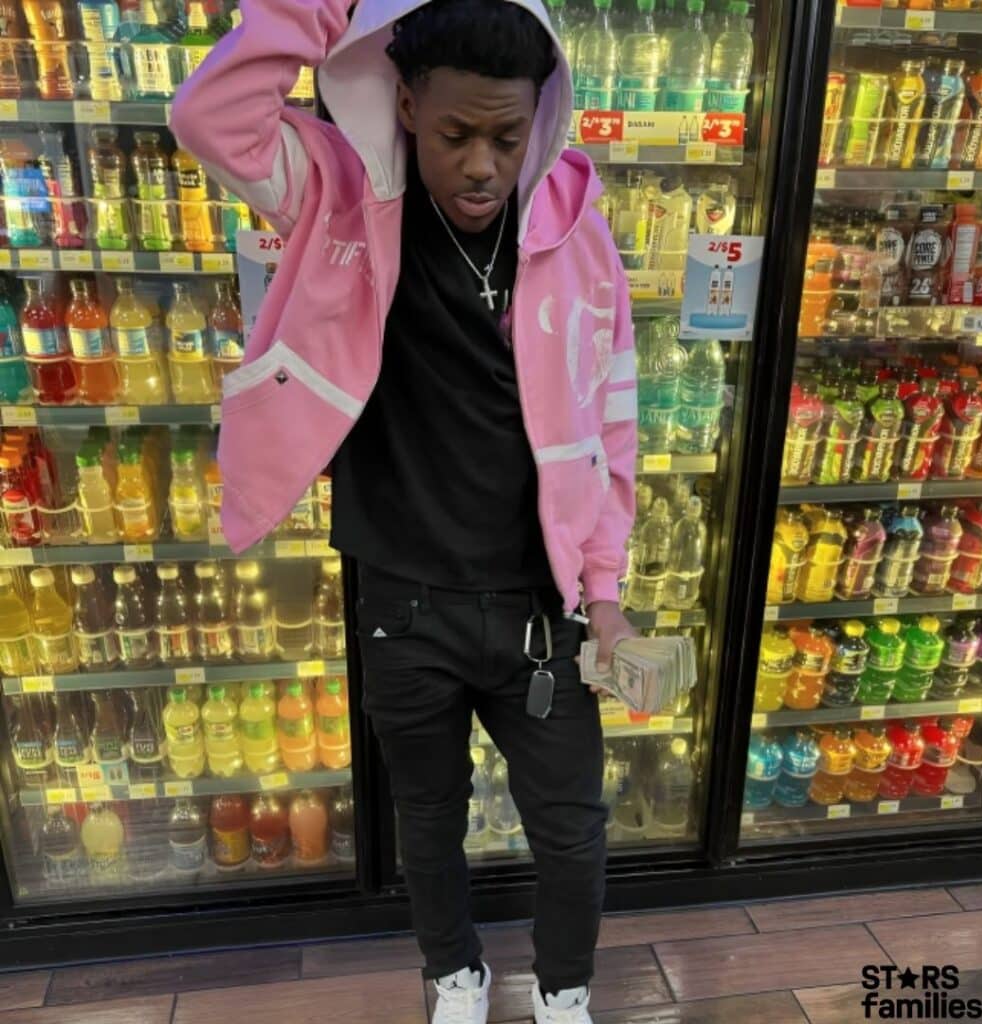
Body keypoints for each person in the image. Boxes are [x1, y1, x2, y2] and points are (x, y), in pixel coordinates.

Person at [171, 0, 637, 1020]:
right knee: (425, 817)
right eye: (456, 133)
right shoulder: (341, 196)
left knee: (572, 826)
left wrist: (605, 592)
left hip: (538, 611)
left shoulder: (576, 232)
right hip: (401, 603)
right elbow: (212, 118)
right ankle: (453, 973)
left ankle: (563, 993)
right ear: (408, 103)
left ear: (539, 122)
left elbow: (611, 422)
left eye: (506, 138)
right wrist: (325, 7)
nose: (480, 165)